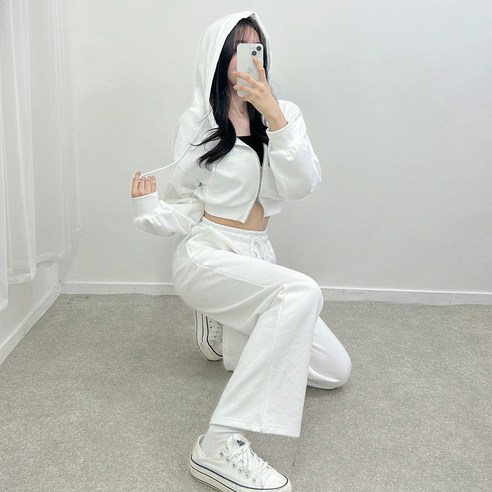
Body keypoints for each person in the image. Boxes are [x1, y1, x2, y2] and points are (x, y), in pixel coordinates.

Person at [131, 11, 351, 492]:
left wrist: (273, 114)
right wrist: (149, 207)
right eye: (238, 48)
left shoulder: (285, 113)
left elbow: (302, 184)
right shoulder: (198, 121)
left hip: (257, 254)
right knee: (301, 293)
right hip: (207, 251)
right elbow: (186, 201)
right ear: (218, 56)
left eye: (256, 47)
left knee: (335, 370)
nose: (249, 56)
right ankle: (218, 445)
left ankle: (222, 322)